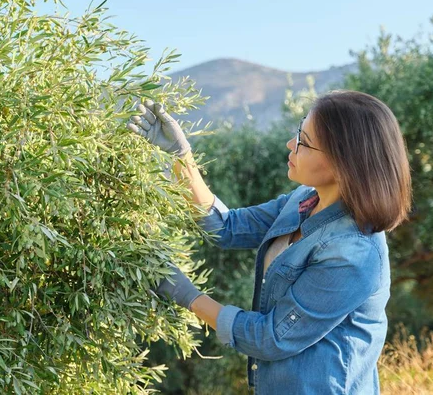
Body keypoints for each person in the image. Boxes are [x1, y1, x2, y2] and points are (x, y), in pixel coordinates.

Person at [127, 90, 412, 394]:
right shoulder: (304, 201)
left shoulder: (354, 254)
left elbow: (271, 338)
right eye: (297, 132)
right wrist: (181, 158)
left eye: (304, 142)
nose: (291, 145)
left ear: (343, 163)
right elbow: (227, 227)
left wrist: (186, 294)